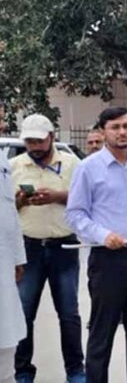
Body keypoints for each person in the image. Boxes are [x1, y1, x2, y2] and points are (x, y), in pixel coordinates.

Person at [66, 106, 127, 382]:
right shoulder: (88, 168)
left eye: (126, 126)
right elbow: (75, 214)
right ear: (103, 131)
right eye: (115, 127)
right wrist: (102, 235)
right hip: (108, 261)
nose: (122, 132)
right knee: (102, 332)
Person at [10, 114, 84, 383]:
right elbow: (5, 208)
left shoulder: (73, 164)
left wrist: (57, 197)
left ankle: (75, 370)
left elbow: (87, 199)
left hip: (64, 246)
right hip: (28, 248)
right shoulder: (13, 166)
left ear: (52, 137)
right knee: (24, 312)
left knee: (69, 313)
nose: (35, 147)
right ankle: (22, 371)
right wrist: (20, 200)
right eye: (30, 141)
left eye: (39, 141)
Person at [0, 104, 27, 383]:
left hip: (4, 264)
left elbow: (10, 212)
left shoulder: (2, 159)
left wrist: (18, 257)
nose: (2, 124)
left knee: (6, 341)